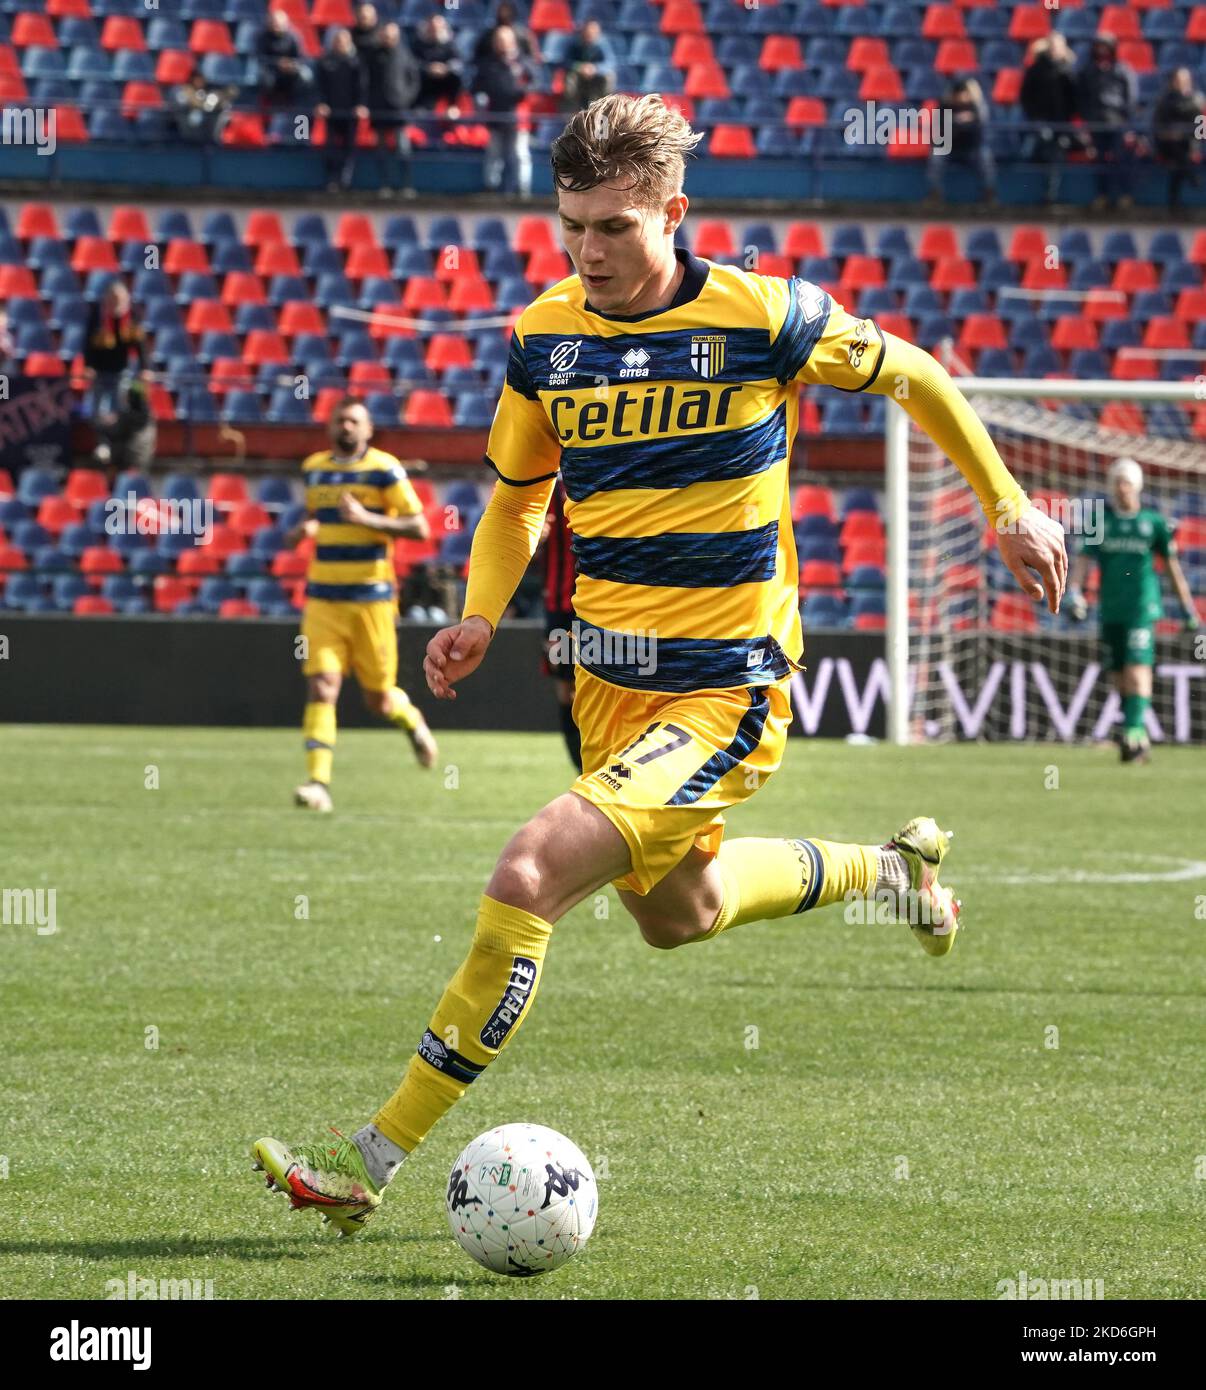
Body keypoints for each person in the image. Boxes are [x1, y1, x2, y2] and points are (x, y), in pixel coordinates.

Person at [250, 94, 1066, 1232]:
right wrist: (482, 612)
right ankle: (892, 873)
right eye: (570, 226)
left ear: (672, 213)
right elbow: (516, 497)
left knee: (530, 871)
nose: (589, 251)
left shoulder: (766, 316)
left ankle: (367, 1159)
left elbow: (917, 377)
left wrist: (1009, 506)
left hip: (726, 683)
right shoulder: (546, 338)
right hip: (605, 687)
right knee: (683, 912)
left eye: (614, 229)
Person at [289, 398, 438, 815]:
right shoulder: (314, 468)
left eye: (354, 421)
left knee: (380, 701)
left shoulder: (384, 469)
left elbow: (420, 526)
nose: (347, 426)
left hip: (371, 602)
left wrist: (366, 519)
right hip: (323, 600)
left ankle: (411, 720)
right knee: (322, 686)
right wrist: (301, 531)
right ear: (330, 427)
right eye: (340, 420)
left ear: (369, 429)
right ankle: (318, 783)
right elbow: (310, 519)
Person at [1068, 459, 1198, 764]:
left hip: (1142, 609)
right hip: (1110, 609)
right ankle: (1135, 738)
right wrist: (1075, 592)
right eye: (1117, 482)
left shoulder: (1153, 523)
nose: (1121, 487)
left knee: (1137, 669)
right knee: (1118, 676)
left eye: (1127, 482)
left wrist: (1188, 610)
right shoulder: (1100, 521)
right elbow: (1084, 562)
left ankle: (1133, 732)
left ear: (1137, 485)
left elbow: (1172, 569)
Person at [540, 478, 581, 771]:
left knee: (604, 684)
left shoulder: (606, 471)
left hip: (606, 603)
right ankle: (582, 770)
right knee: (567, 690)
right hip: (559, 605)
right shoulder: (545, 485)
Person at [1077, 33, 1138, 211]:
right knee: (1099, 161)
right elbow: (1082, 98)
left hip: (1117, 121)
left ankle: (1125, 196)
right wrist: (1087, 119)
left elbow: (1131, 97)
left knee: (1121, 159)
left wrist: (1127, 120)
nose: (1102, 50)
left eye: (1105, 46)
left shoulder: (1122, 69)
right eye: (1099, 46)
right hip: (1096, 122)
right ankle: (1101, 196)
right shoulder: (1088, 70)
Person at [472, 24, 533, 196]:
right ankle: (491, 187)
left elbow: (535, 82)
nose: (502, 44)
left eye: (505, 40)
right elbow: (476, 86)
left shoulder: (523, 62)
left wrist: (523, 91)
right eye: (498, 40)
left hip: (517, 116)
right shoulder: (488, 63)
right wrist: (481, 98)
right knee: (494, 155)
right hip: (495, 115)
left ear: (512, 41)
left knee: (520, 155)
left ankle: (523, 190)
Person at [1019, 34, 1080, 206]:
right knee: (1037, 146)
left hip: (1061, 123)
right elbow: (1026, 97)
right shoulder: (1036, 69)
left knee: (1055, 153)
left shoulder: (1068, 71)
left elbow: (1075, 99)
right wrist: (1034, 116)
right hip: (1040, 121)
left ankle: (1050, 194)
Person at [365, 21, 420, 196]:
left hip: (399, 110)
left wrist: (405, 99)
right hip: (379, 110)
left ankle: (406, 185)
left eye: (392, 35)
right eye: (386, 35)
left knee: (403, 149)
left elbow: (414, 80)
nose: (389, 38)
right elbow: (366, 81)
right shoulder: (373, 55)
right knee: (381, 151)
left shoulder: (405, 54)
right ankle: (384, 185)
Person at [926, 76, 995, 205]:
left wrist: (959, 124)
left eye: (964, 94)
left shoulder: (975, 107)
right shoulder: (944, 107)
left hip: (970, 148)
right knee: (936, 156)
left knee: (985, 155)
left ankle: (989, 192)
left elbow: (977, 129)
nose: (961, 97)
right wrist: (958, 122)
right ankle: (935, 193)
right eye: (958, 94)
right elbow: (941, 131)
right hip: (949, 148)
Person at [316, 27, 369, 192]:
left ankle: (345, 181)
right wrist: (321, 103)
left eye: (344, 41)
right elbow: (319, 86)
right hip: (331, 113)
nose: (341, 44)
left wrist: (361, 104)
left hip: (350, 113)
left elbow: (362, 86)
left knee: (350, 148)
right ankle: (331, 180)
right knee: (330, 147)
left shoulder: (357, 61)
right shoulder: (325, 61)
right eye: (338, 41)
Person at [83, 280, 144, 421]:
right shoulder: (98, 316)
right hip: (99, 369)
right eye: (113, 299)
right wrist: (88, 366)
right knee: (97, 409)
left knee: (120, 408)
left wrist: (144, 367)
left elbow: (141, 345)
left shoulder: (131, 317)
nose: (116, 303)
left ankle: (119, 441)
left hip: (121, 368)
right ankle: (101, 440)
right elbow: (87, 343)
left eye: (119, 300)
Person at [1153, 67, 1204, 211]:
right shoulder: (1165, 100)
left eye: (1185, 80)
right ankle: (1191, 178)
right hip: (1168, 144)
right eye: (1179, 80)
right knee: (1177, 152)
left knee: (1180, 161)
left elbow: (1201, 127)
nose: (1182, 83)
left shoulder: (1197, 99)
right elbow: (1158, 127)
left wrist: (1194, 142)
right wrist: (1170, 134)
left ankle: (1175, 202)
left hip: (1190, 142)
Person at [92, 377, 156, 472]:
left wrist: (100, 424)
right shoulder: (149, 414)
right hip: (145, 459)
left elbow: (114, 433)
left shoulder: (128, 415)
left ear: (131, 397)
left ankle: (108, 480)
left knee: (102, 451)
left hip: (130, 459)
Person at [256, 8, 312, 109]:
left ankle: (297, 104)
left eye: (279, 23)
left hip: (290, 69)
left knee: (306, 75)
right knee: (265, 78)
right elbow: (260, 58)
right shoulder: (263, 37)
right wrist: (277, 63)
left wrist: (291, 65)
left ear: (285, 24)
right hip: (271, 69)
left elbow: (301, 58)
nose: (276, 26)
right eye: (273, 23)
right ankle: (270, 105)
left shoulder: (293, 37)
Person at [561, 19, 616, 112]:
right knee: (570, 78)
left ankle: (604, 106)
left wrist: (595, 68)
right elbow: (566, 62)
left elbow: (610, 63)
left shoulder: (602, 44)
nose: (590, 34)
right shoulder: (574, 43)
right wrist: (580, 67)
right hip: (579, 76)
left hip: (596, 77)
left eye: (593, 32)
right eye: (588, 32)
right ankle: (572, 109)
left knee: (609, 76)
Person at [412, 13, 463, 114]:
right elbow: (412, 64)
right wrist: (428, 68)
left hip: (446, 93)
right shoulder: (418, 45)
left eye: (438, 27)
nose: (435, 30)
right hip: (424, 94)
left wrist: (445, 68)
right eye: (432, 27)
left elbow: (458, 64)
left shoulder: (450, 46)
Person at [171, 71, 237, 144]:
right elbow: (195, 103)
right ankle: (190, 140)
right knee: (195, 115)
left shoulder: (208, 90)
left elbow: (232, 91)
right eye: (197, 80)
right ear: (192, 80)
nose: (200, 82)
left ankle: (214, 140)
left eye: (201, 80)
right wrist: (201, 105)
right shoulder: (186, 90)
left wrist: (220, 99)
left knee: (224, 114)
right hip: (188, 121)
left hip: (208, 121)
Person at [472, 2, 540, 68]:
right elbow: (478, 57)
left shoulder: (523, 34)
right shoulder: (487, 36)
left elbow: (534, 57)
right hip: (495, 72)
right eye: (501, 41)